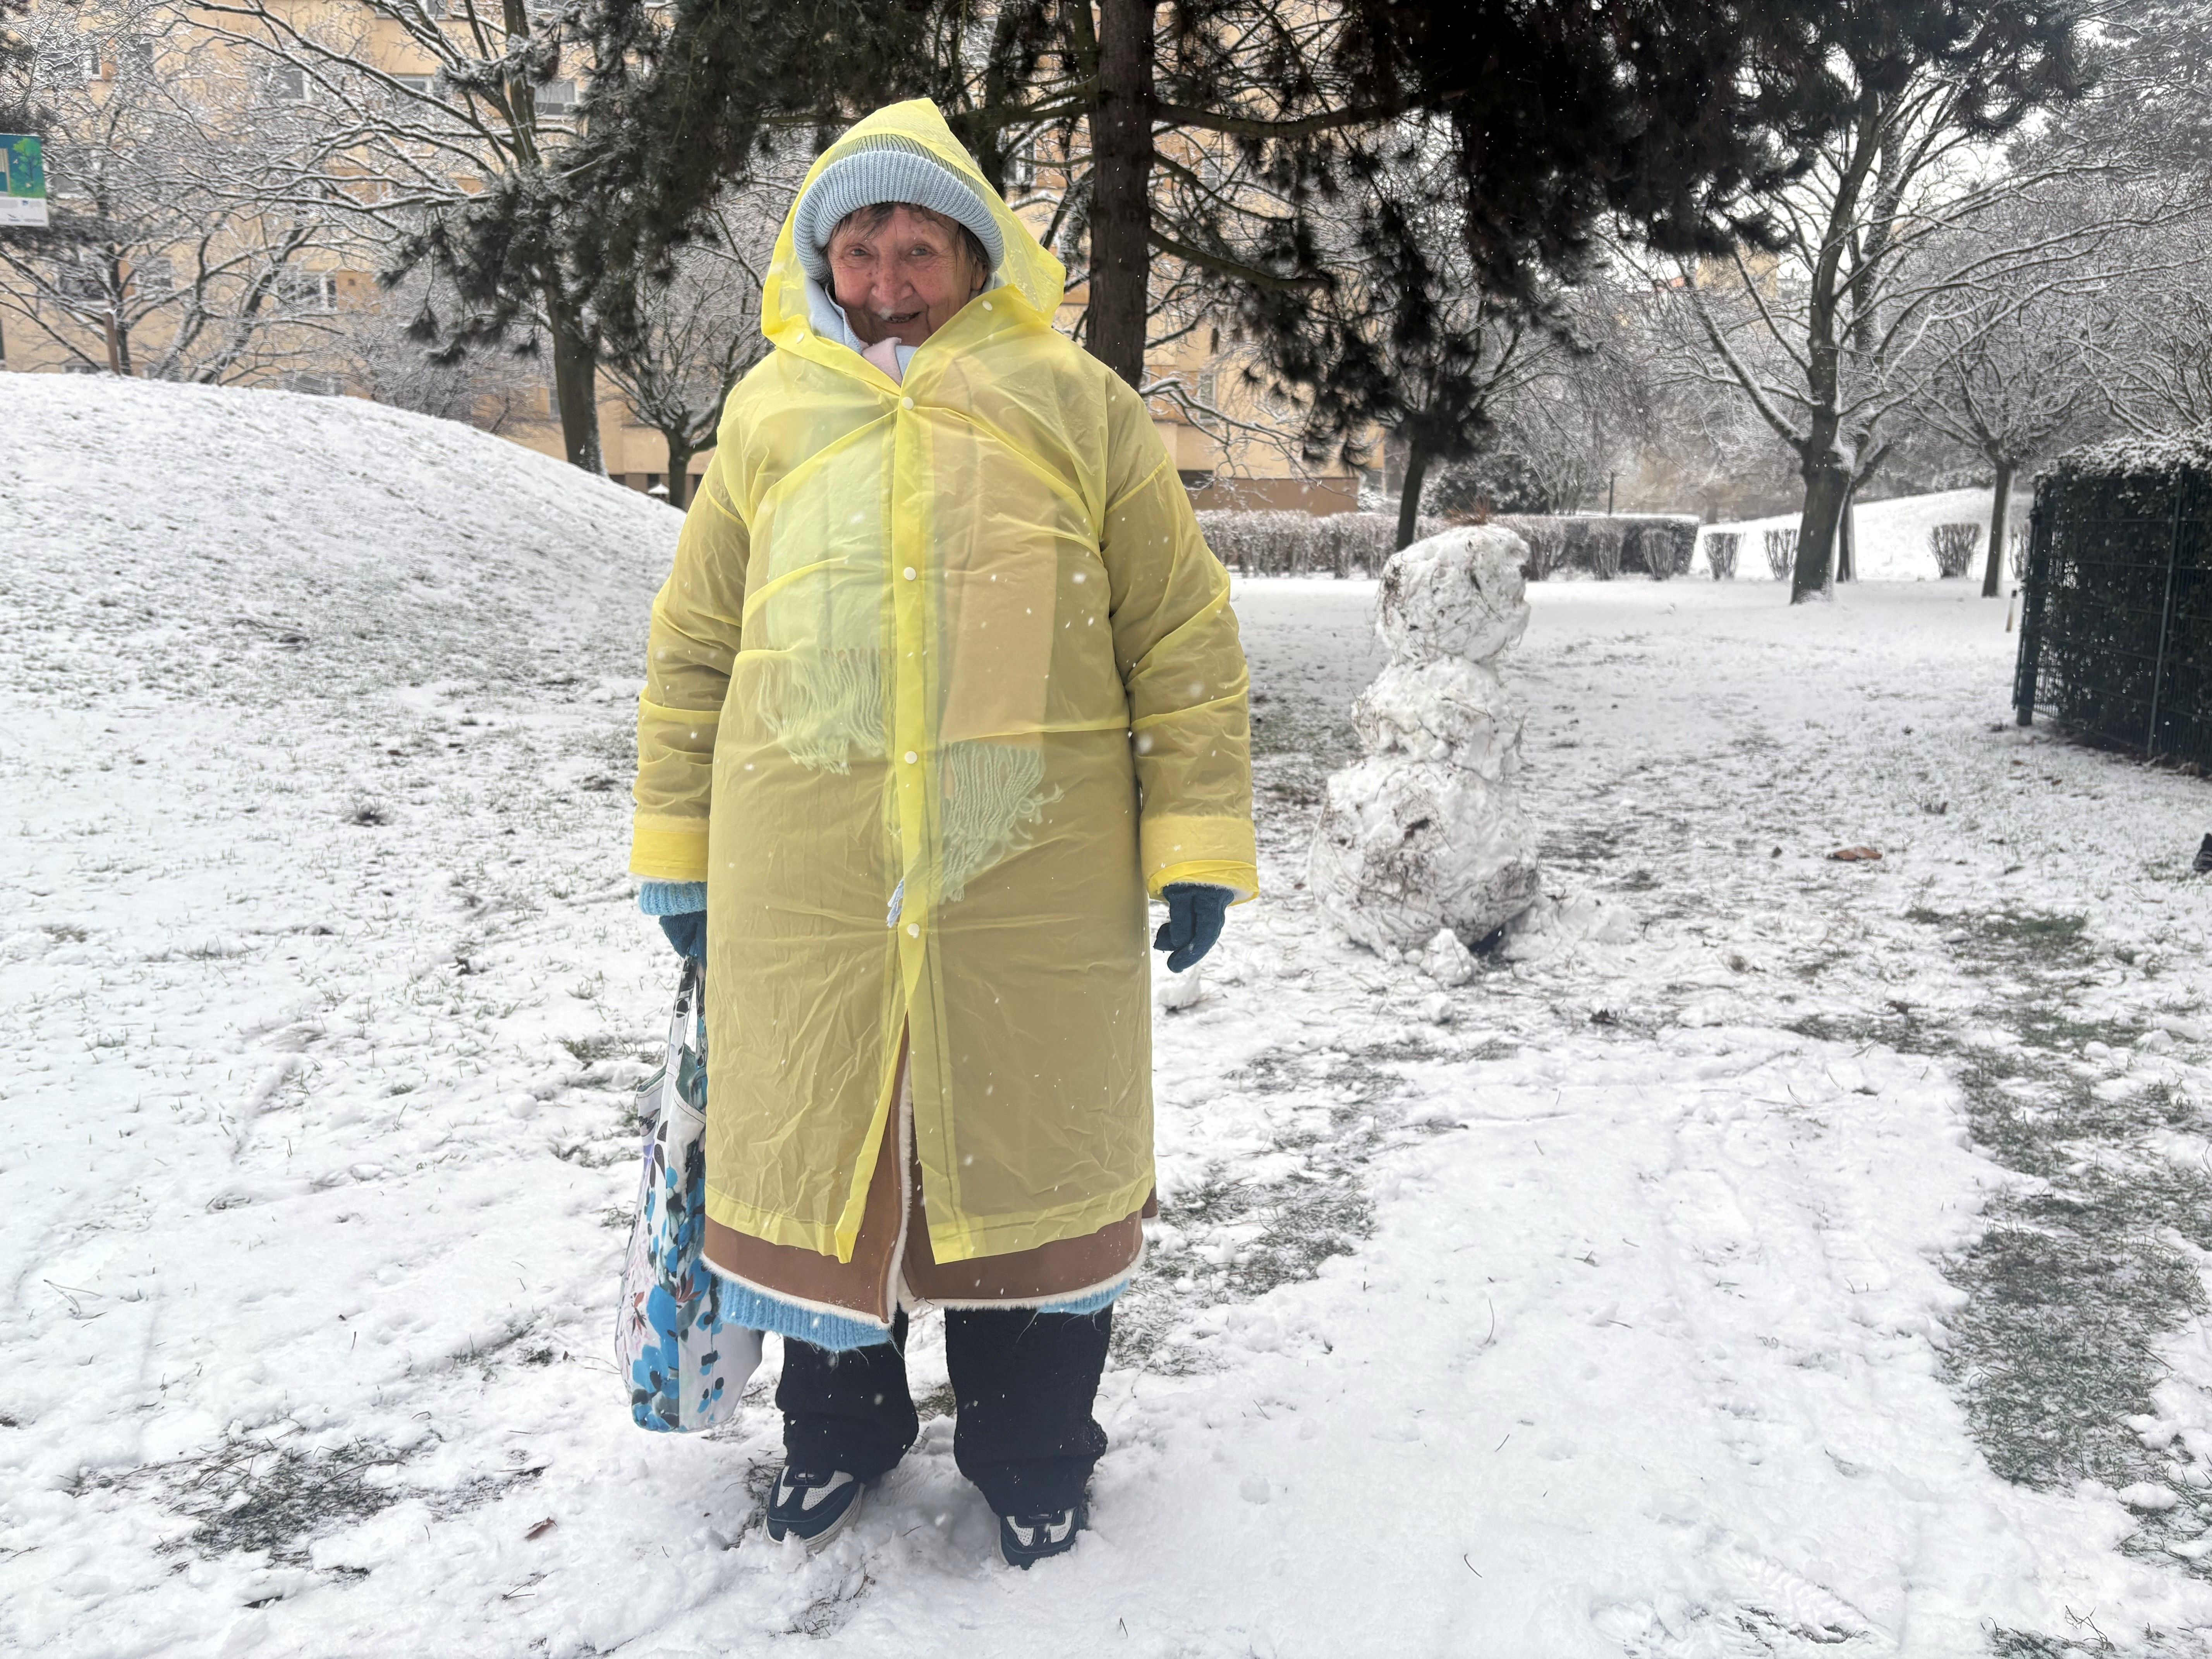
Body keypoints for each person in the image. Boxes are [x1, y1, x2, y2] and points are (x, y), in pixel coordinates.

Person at [627, 99, 1255, 1569]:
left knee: (1026, 1165)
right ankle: (837, 1433)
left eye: (919, 248)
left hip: (1029, 875)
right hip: (810, 881)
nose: (890, 281)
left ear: (976, 253)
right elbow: (695, 642)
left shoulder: (1073, 399)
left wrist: (1198, 836)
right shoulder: (772, 413)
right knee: (828, 1162)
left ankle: (1033, 1447)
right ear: (822, 259)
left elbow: (1180, 629)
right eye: (862, 249)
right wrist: (676, 842)